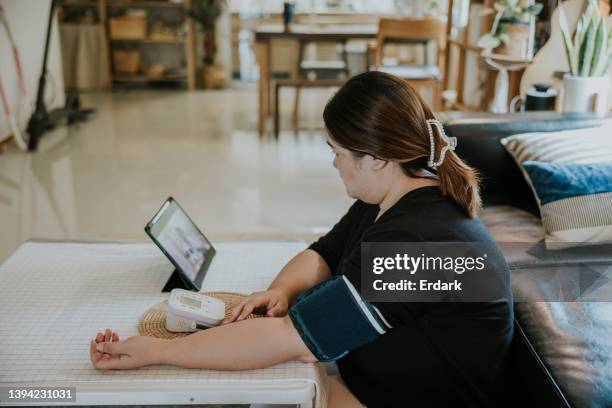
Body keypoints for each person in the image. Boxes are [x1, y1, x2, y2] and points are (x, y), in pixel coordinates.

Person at [89, 71, 514, 407]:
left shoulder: (421, 250)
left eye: (337, 151)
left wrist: (158, 353)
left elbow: (291, 339)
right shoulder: (397, 194)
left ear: (377, 158)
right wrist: (280, 290)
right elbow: (325, 253)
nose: (333, 162)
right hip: (373, 382)